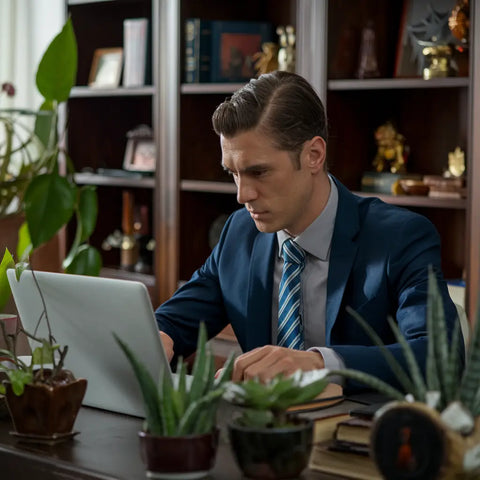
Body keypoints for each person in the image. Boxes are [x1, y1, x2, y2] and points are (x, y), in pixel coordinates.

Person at [155, 70, 460, 392]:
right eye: (233, 173)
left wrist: (319, 364)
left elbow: (442, 358)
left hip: (357, 435)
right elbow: (175, 322)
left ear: (314, 155)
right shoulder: (239, 232)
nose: (242, 195)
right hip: (261, 434)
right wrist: (159, 337)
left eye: (259, 172)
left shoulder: (400, 237)